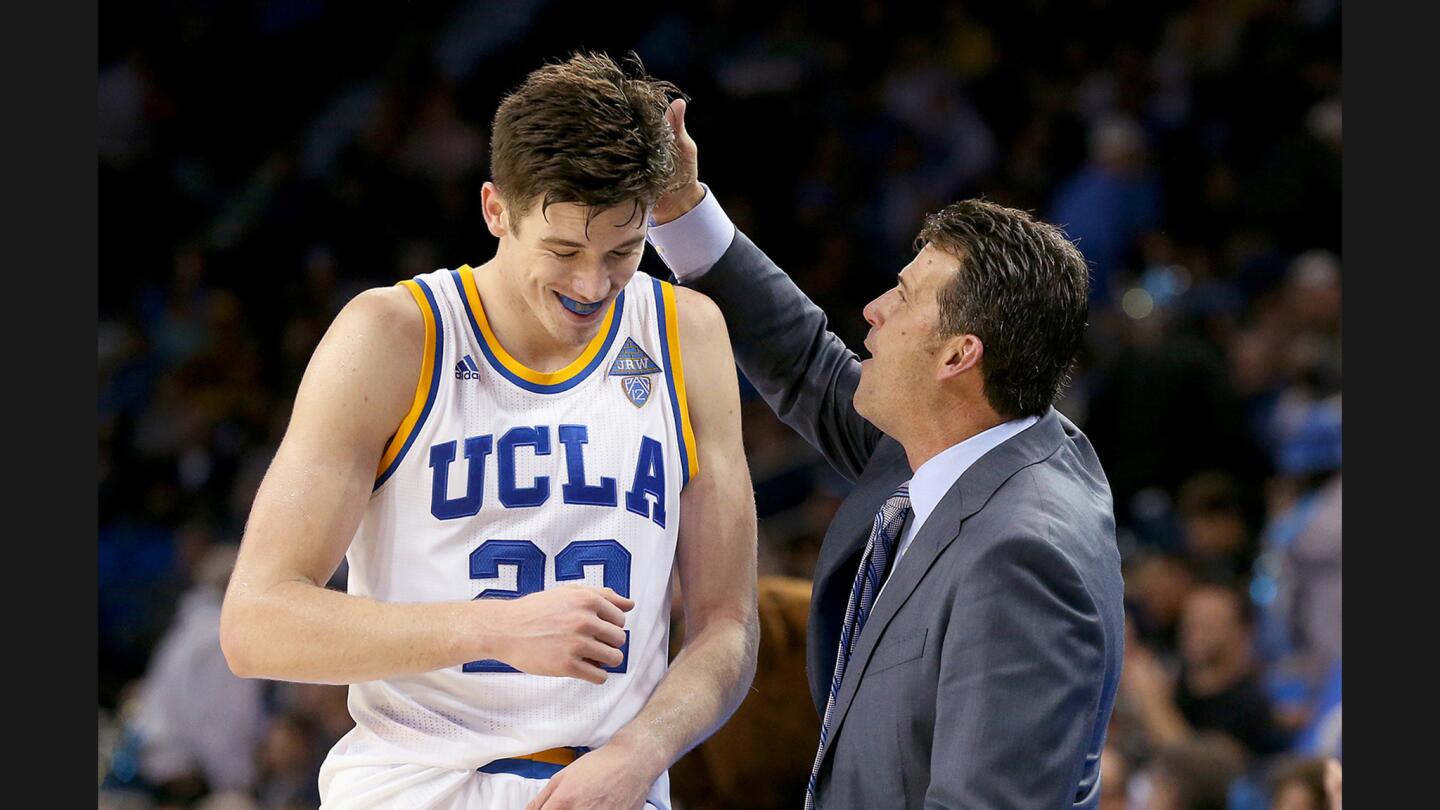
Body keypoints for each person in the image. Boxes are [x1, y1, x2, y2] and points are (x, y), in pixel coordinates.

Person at [220, 54, 758, 810]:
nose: (592, 286)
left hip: (608, 785)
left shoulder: (686, 336)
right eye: (565, 250)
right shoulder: (393, 335)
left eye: (623, 253)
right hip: (415, 783)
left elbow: (727, 626)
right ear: (496, 210)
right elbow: (256, 623)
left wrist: (643, 753)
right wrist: (490, 629)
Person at [648, 100, 1124, 808]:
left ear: (961, 355)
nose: (873, 308)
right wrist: (679, 207)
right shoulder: (966, 440)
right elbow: (803, 358)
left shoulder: (1023, 561)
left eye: (902, 297)